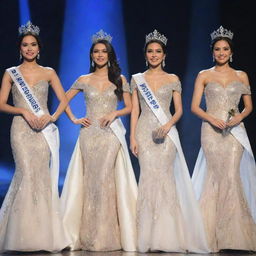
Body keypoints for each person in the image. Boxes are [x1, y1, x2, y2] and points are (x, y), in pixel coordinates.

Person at [130, 29, 209, 253]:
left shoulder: (173, 78)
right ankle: (148, 237)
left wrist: (168, 125)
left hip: (166, 135)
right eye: (150, 51)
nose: (154, 55)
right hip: (145, 133)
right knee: (147, 179)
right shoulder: (137, 80)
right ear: (145, 55)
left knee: (165, 180)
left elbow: (180, 110)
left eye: (158, 51)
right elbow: (134, 111)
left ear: (164, 55)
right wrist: (132, 137)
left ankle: (168, 236)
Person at [60, 30, 137, 252]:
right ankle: (88, 234)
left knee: (105, 180)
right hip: (89, 135)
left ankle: (106, 234)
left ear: (110, 55)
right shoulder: (83, 80)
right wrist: (74, 118)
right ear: (91, 55)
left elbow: (130, 107)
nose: (100, 55)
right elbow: (62, 99)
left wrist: (115, 114)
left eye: (104, 51)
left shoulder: (120, 79)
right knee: (91, 182)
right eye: (96, 51)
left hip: (110, 135)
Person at [0, 21, 70, 252]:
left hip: (42, 132)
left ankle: (40, 235)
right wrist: (21, 110)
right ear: (20, 49)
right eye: (25, 45)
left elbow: (64, 99)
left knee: (40, 178)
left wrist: (51, 117)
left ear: (39, 48)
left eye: (33, 45)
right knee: (26, 174)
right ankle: (19, 236)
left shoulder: (48, 72)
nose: (29, 49)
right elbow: (1, 104)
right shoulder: (11, 73)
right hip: (21, 130)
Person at [191, 25, 256, 252]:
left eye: (225, 49)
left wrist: (237, 118)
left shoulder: (241, 75)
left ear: (231, 51)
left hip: (234, 132)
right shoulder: (204, 75)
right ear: (212, 52)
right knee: (215, 177)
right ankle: (210, 237)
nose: (221, 53)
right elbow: (194, 107)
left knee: (231, 176)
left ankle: (234, 236)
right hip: (211, 131)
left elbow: (248, 107)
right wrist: (211, 118)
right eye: (217, 49)